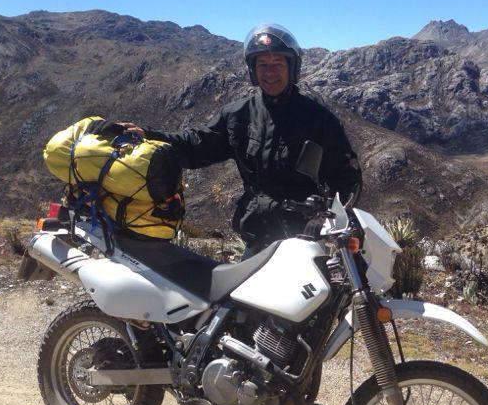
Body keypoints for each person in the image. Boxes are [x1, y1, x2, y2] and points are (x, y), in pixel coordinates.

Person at [95, 23, 363, 256]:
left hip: (306, 239)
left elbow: (346, 177)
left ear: (292, 67)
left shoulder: (319, 120)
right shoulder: (239, 114)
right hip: (258, 236)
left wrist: (326, 216)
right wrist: (149, 136)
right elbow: (197, 144)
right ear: (252, 70)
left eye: (278, 64)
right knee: (239, 311)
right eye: (263, 65)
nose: (270, 72)